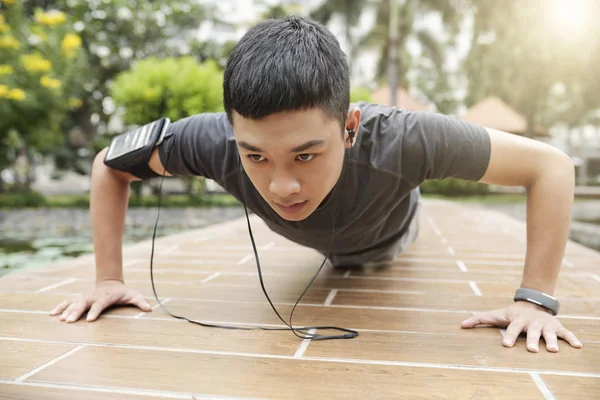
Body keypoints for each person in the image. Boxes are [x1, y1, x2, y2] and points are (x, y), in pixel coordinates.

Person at [50, 16, 582, 354]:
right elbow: (108, 164)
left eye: (306, 154)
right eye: (254, 155)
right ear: (232, 129)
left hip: (391, 235)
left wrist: (535, 302)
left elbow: (551, 167)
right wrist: (107, 279)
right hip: (324, 243)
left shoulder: (406, 140)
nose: (281, 184)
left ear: (349, 128)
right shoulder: (210, 140)